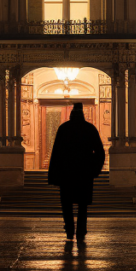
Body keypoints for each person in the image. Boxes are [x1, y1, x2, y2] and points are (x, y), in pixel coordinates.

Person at [47, 101, 106, 241]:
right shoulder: (89, 129)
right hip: (84, 174)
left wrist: (54, 174)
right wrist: (94, 169)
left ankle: (69, 229)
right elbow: (100, 152)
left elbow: (56, 153)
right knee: (82, 205)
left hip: (66, 174)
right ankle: (81, 230)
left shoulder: (64, 128)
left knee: (66, 204)